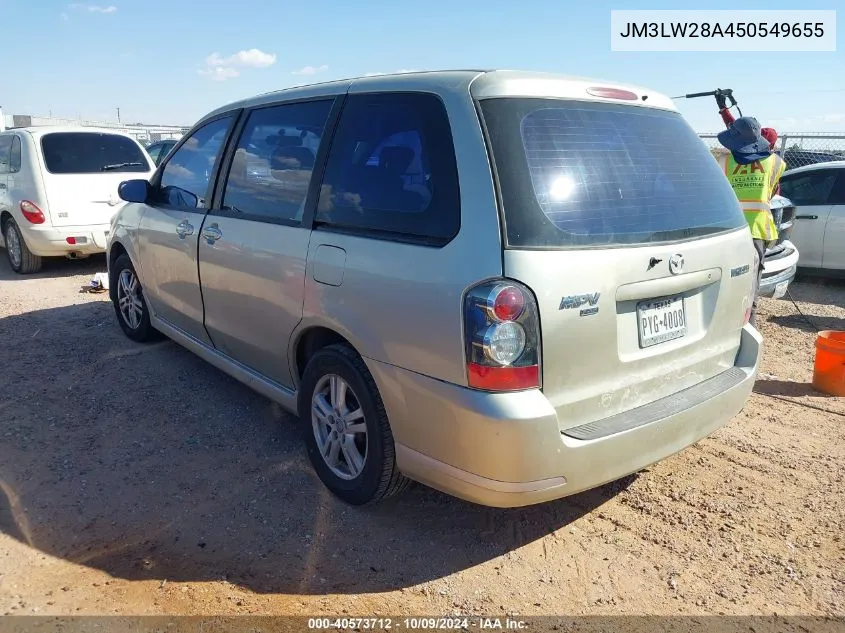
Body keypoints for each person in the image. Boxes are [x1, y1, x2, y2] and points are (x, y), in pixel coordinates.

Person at [715, 115, 786, 327]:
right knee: (750, 291)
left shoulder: (722, 163)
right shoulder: (775, 163)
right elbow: (772, 193)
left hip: (727, 232)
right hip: (757, 232)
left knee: (725, 286)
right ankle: (747, 333)